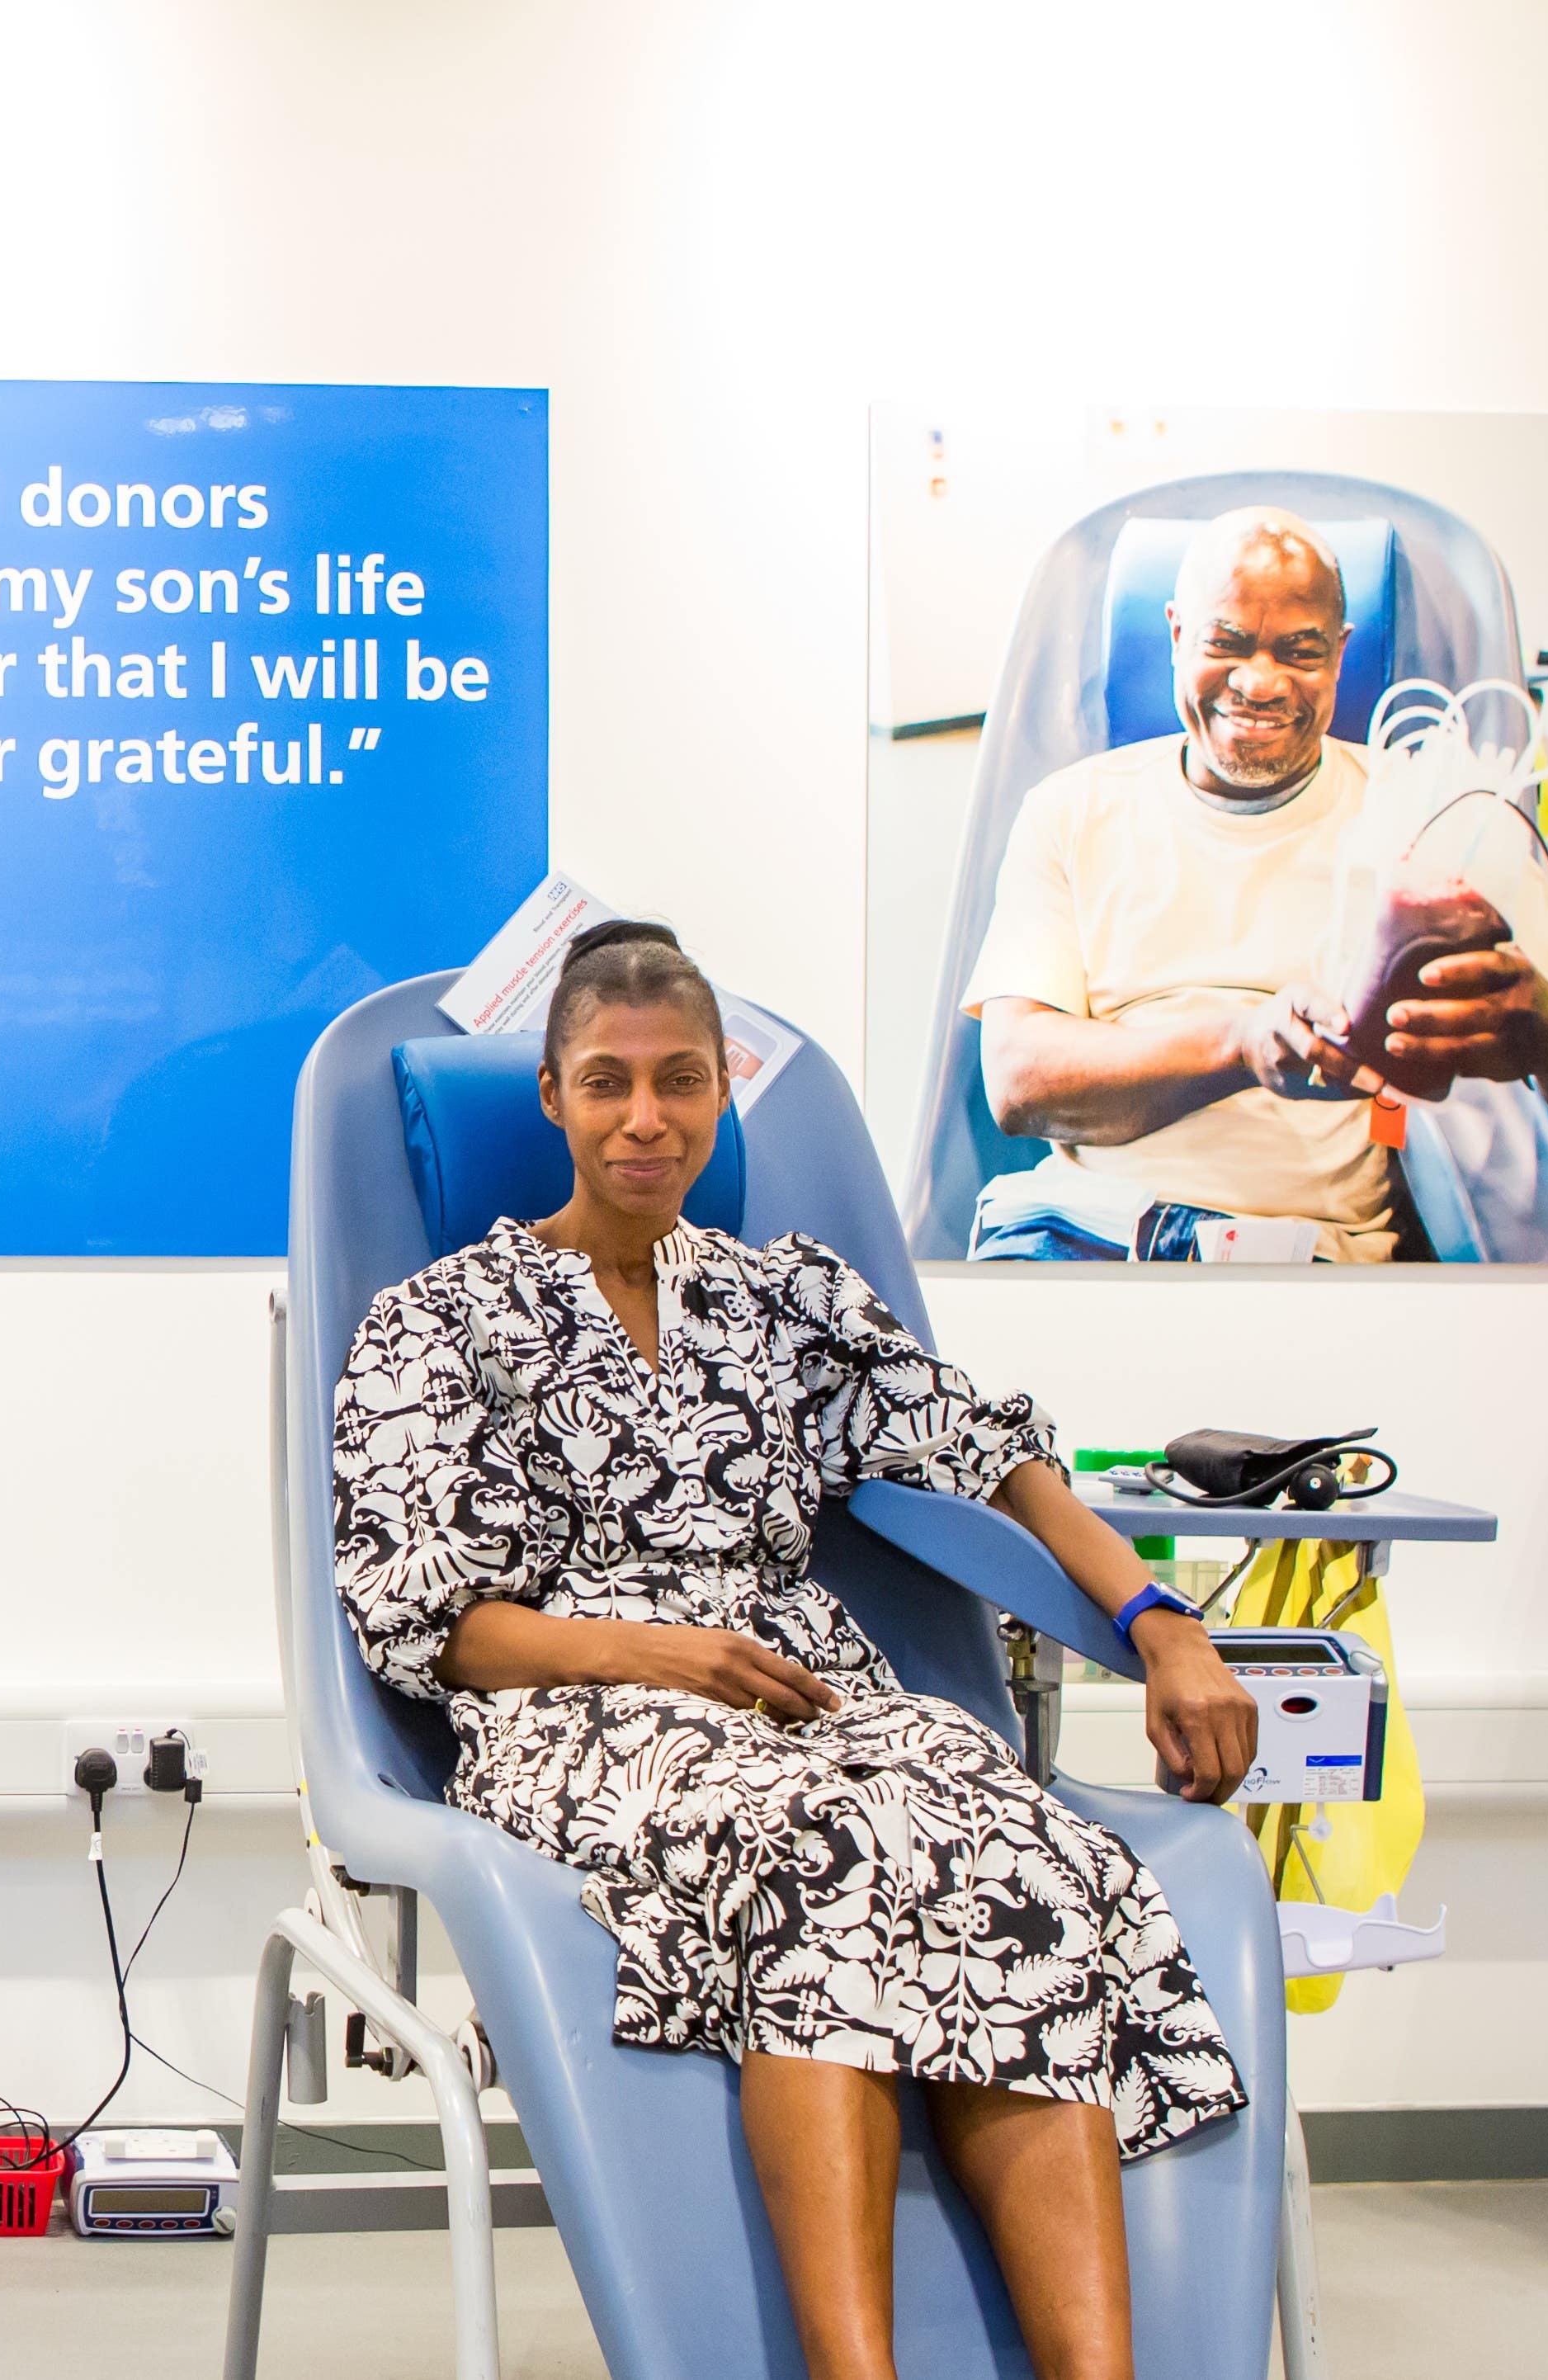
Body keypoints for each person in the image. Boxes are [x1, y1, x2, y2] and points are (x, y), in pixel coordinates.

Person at [337, 921, 1257, 2380]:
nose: (644, 1117)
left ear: (720, 1091)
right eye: (605, 1081)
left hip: (806, 1693)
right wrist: (654, 1656)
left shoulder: (787, 1299)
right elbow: (427, 1626)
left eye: (679, 1080)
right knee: (819, 1841)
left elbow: (998, 1456)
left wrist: (1160, 1623)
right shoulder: (437, 1324)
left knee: (1007, 1838)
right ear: (550, 1100)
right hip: (573, 1709)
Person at [966, 507, 1548, 1260]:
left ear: (1341, 653)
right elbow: (1018, 1080)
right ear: (1175, 632)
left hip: (1304, 1259)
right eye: (1225, 643)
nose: (1259, 683)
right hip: (1082, 1230)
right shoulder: (1072, 810)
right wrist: (1243, 1045)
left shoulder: (1431, 812)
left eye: (1300, 652)